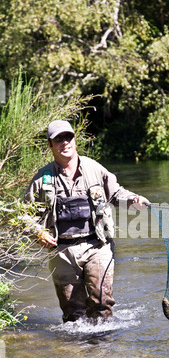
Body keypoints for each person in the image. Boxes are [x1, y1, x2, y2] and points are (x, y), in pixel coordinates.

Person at [25, 120, 150, 323]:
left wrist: (135, 201)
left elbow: (116, 194)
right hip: (62, 251)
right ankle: (77, 353)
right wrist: (38, 232)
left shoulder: (94, 168)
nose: (65, 142)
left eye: (68, 137)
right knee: (73, 314)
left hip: (97, 245)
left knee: (102, 304)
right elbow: (24, 216)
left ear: (75, 140)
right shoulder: (41, 178)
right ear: (50, 145)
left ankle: (103, 351)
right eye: (59, 139)